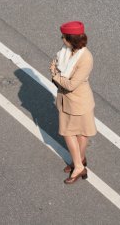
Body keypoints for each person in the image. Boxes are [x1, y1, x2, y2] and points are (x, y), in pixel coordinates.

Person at [50, 21, 97, 184]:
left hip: (79, 102)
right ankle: (80, 161)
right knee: (78, 133)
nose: (62, 39)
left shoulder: (86, 58)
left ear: (71, 39)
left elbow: (70, 84)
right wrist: (56, 72)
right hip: (66, 100)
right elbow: (55, 63)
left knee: (71, 132)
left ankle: (78, 166)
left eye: (63, 37)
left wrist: (55, 75)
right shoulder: (66, 51)